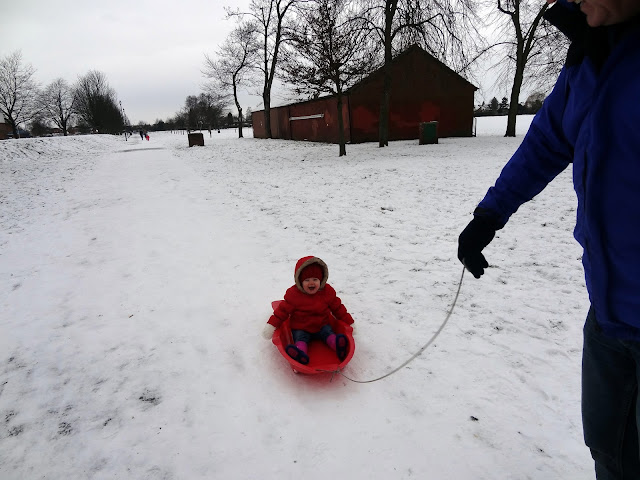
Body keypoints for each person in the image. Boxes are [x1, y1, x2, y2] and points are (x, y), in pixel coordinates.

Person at [457, 1, 640, 477]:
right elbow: (546, 142)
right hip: (608, 315)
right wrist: (488, 216)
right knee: (609, 453)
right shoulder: (589, 54)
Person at [262, 256, 354, 365]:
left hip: (322, 325)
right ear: (300, 282)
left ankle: (338, 345)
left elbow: (338, 308)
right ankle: (300, 354)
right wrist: (271, 326)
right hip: (301, 327)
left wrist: (350, 322)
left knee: (328, 333)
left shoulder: (327, 292)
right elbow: (281, 312)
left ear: (321, 280)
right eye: (307, 280)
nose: (311, 283)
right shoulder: (294, 295)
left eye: (315, 279)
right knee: (300, 338)